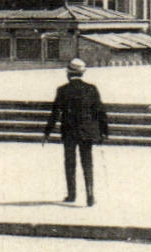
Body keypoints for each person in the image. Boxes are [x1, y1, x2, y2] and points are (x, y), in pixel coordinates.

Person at [45, 57, 109, 205]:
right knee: (87, 162)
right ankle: (90, 195)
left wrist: (47, 131)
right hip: (87, 131)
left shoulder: (62, 90)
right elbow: (100, 111)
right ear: (82, 74)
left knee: (70, 162)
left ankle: (72, 194)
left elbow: (55, 113)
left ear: (68, 74)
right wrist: (104, 131)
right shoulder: (91, 89)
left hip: (69, 131)